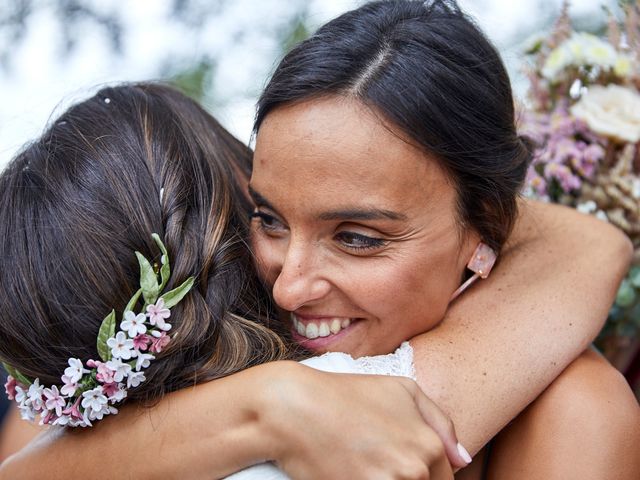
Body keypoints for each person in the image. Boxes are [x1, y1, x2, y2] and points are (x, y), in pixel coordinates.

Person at [1, 1, 638, 478]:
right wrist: (270, 403)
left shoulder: (567, 405)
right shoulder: (120, 393)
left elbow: (591, 245)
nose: (289, 282)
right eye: (269, 217)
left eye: (358, 237)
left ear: (488, 224)